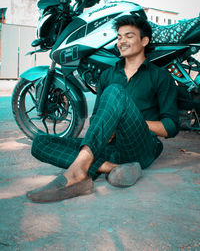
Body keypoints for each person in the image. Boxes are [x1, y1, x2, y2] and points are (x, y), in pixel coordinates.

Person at [27, 15, 179, 203]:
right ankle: (112, 167)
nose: (121, 41)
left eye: (129, 36)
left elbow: (171, 127)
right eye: (119, 37)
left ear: (144, 41)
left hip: (141, 146)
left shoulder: (160, 76)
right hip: (109, 147)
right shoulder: (108, 75)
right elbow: (99, 115)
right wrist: (108, 129)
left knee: (115, 91)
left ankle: (78, 173)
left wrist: (125, 122)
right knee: (40, 143)